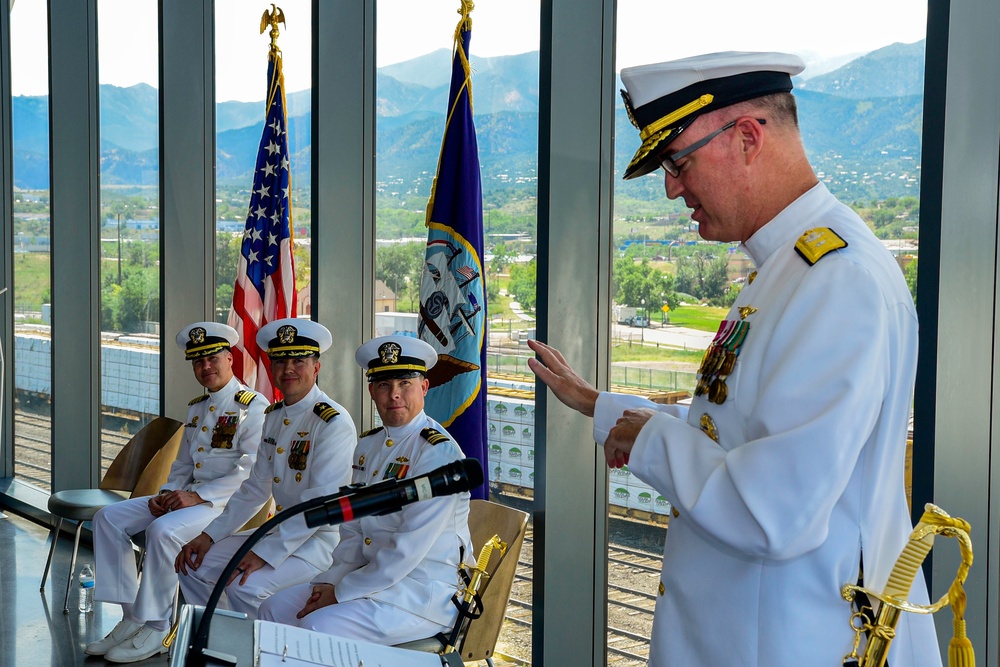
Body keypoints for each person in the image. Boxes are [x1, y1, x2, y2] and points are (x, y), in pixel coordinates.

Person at [527, 52, 941, 666]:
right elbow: (734, 433)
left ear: (748, 137)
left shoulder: (835, 281)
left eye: (679, 161)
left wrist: (651, 444)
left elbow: (770, 513)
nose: (671, 187)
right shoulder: (789, 269)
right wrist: (600, 404)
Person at [258, 335, 473, 646]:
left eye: (405, 384)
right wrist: (329, 580)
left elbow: (409, 548)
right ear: (372, 391)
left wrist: (341, 591)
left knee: (316, 630)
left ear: (424, 388)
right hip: (368, 580)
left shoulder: (437, 453)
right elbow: (354, 530)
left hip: (420, 594)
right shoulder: (369, 447)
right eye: (384, 385)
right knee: (273, 610)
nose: (394, 395)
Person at [86, 322, 265, 663]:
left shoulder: (252, 406)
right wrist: (166, 493)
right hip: (188, 497)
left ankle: (157, 626)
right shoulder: (197, 407)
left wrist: (198, 496)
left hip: (224, 504)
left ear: (230, 358)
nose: (206, 367)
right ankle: (132, 617)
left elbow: (250, 470)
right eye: (198, 361)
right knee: (107, 518)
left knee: (163, 531)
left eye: (213, 358)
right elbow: (183, 464)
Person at [175, 318, 357, 619]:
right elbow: (255, 487)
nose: (288, 370)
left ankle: (264, 651)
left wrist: (263, 553)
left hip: (319, 541)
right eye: (280, 361)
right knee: (196, 563)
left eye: (298, 361)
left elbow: (319, 506)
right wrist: (209, 535)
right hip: (277, 532)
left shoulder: (332, 423)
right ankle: (217, 640)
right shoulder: (274, 416)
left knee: (245, 588)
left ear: (316, 368)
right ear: (270, 368)